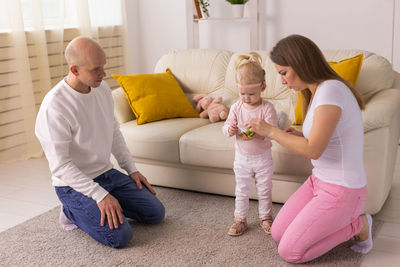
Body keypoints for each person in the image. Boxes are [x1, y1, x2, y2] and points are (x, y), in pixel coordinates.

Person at [246, 34, 372, 263]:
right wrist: (300, 134)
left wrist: (271, 131)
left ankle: (358, 224)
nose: (282, 81)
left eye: (283, 72)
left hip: (343, 190)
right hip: (319, 181)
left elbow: (314, 150)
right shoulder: (316, 91)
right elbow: (326, 137)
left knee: (291, 252)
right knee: (277, 233)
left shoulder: (331, 91)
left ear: (300, 62)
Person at [35, 36, 165, 248]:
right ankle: (70, 209)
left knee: (155, 213)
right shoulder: (55, 107)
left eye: (103, 67)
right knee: (120, 236)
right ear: (74, 70)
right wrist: (98, 195)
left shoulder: (101, 89)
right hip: (71, 185)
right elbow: (61, 166)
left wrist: (131, 169)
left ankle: (102, 204)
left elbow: (113, 131)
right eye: (96, 69)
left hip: (106, 174)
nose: (103, 74)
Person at [222, 52, 278, 236]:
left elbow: (273, 134)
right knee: (242, 190)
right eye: (242, 93)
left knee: (264, 190)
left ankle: (266, 217)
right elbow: (226, 127)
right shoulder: (236, 107)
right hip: (242, 159)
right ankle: (240, 219)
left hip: (262, 159)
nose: (246, 97)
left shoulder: (267, 108)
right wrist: (230, 130)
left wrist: (259, 134)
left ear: (263, 87)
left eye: (251, 94)